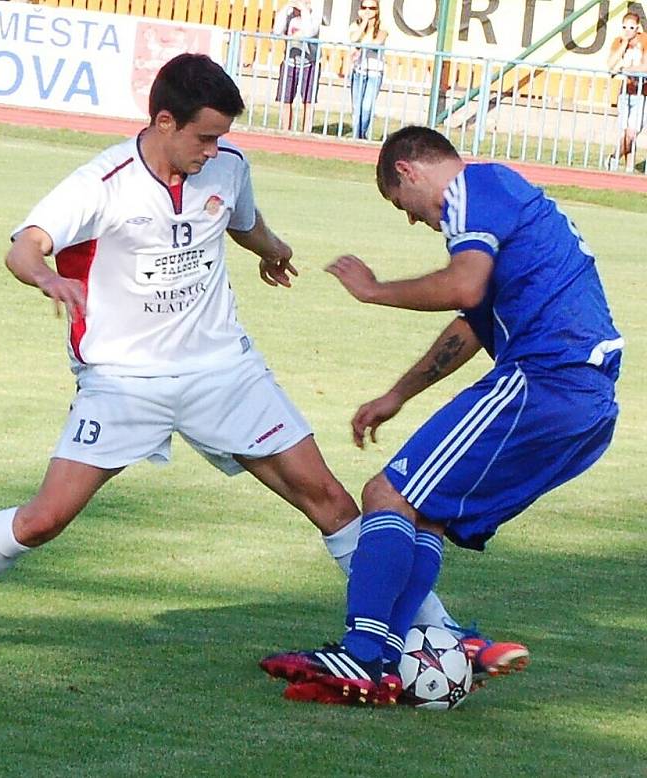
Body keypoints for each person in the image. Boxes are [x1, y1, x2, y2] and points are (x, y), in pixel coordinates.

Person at [0, 56, 489, 660]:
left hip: (223, 369)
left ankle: (439, 632)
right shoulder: (100, 184)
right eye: (205, 136)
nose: (214, 150)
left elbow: (238, 218)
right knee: (44, 518)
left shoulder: (226, 166)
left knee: (330, 500)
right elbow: (25, 248)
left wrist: (273, 249)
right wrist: (47, 280)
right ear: (164, 121)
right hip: (123, 380)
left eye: (222, 138)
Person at [260, 125, 622, 706]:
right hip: (586, 404)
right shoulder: (508, 202)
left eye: (399, 204)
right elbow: (472, 325)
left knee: (385, 493)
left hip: (547, 379)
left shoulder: (476, 188)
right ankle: (423, 647)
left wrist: (375, 291)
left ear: (408, 171)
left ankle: (361, 655)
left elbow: (464, 287)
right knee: (424, 516)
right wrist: (398, 394)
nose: (410, 218)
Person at [606, 11, 647, 171]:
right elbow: (610, 64)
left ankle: (614, 157)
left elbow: (645, 67)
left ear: (637, 27)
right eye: (624, 27)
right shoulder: (619, 41)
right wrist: (624, 43)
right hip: (625, 92)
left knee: (632, 133)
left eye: (631, 27)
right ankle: (628, 168)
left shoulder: (644, 39)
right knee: (626, 133)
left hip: (642, 93)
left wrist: (625, 69)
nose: (627, 30)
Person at [273, 0, 321, 132]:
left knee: (308, 100)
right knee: (286, 99)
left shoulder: (314, 18)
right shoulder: (289, 17)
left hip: (309, 64)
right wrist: (286, 7)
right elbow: (277, 31)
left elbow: (308, 33)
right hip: (289, 62)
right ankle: (285, 130)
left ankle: (306, 131)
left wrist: (305, 11)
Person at [348, 0, 388, 140]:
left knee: (366, 108)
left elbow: (377, 42)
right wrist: (364, 22)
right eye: (364, 7)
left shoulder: (382, 27)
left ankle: (361, 135)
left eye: (371, 8)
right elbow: (353, 38)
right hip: (359, 71)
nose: (367, 11)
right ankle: (356, 137)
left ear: (377, 11)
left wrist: (360, 47)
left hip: (374, 72)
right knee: (356, 108)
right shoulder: (355, 25)